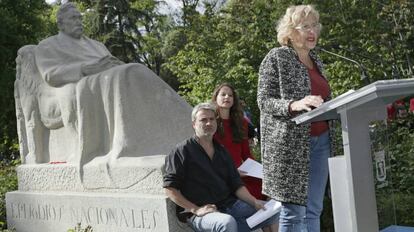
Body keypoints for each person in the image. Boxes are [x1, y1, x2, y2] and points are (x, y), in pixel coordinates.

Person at [32, 2, 193, 188]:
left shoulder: (97, 45)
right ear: (60, 24)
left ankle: (184, 131)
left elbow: (111, 63)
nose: (79, 22)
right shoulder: (48, 46)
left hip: (110, 79)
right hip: (83, 86)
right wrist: (85, 68)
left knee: (133, 71)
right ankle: (131, 146)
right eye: (73, 18)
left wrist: (113, 65)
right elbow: (50, 75)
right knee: (125, 76)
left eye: (79, 18)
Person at [257, 5, 335, 232]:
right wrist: (294, 104)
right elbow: (264, 100)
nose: (312, 31)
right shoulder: (277, 57)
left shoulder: (317, 60)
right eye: (305, 27)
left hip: (322, 141)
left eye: (315, 26)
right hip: (290, 147)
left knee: (313, 209)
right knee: (293, 213)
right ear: (291, 31)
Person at [163, 103, 279, 232]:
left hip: (228, 205)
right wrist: (195, 209)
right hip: (199, 212)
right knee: (227, 223)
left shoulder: (221, 151)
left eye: (212, 119)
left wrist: (254, 202)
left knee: (271, 212)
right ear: (194, 124)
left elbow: (236, 184)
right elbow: (170, 189)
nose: (208, 123)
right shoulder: (181, 151)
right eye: (203, 120)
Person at [212, 83, 278, 232]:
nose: (227, 97)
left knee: (270, 192)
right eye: (223, 94)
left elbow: (246, 154)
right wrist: (233, 171)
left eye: (230, 95)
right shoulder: (212, 124)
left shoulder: (240, 122)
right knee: (263, 207)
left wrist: (259, 171)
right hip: (227, 176)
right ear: (216, 98)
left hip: (243, 172)